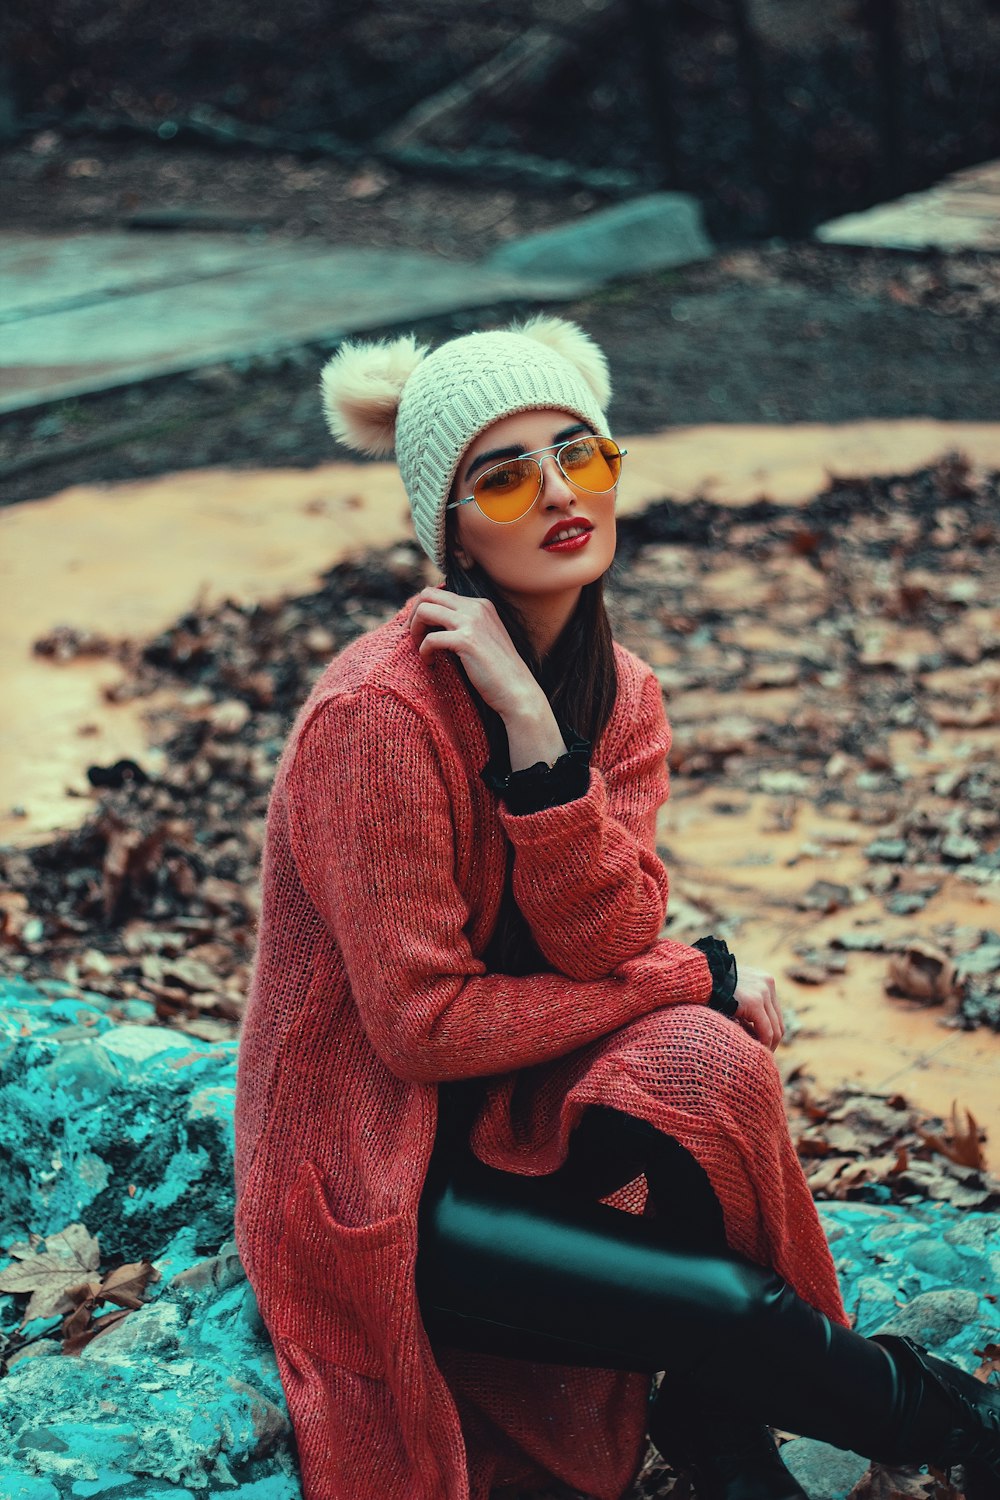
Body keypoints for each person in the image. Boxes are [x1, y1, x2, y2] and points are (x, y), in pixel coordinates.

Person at [233, 315, 1000, 1500]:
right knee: (725, 1288)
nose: (557, 494)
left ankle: (720, 1437)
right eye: (505, 474)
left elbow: (605, 938)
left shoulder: (620, 692)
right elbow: (418, 1030)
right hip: (375, 1181)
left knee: (707, 1064)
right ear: (450, 526)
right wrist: (695, 971)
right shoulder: (374, 720)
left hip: (513, 1116)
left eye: (580, 455)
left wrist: (542, 750)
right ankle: (955, 1429)